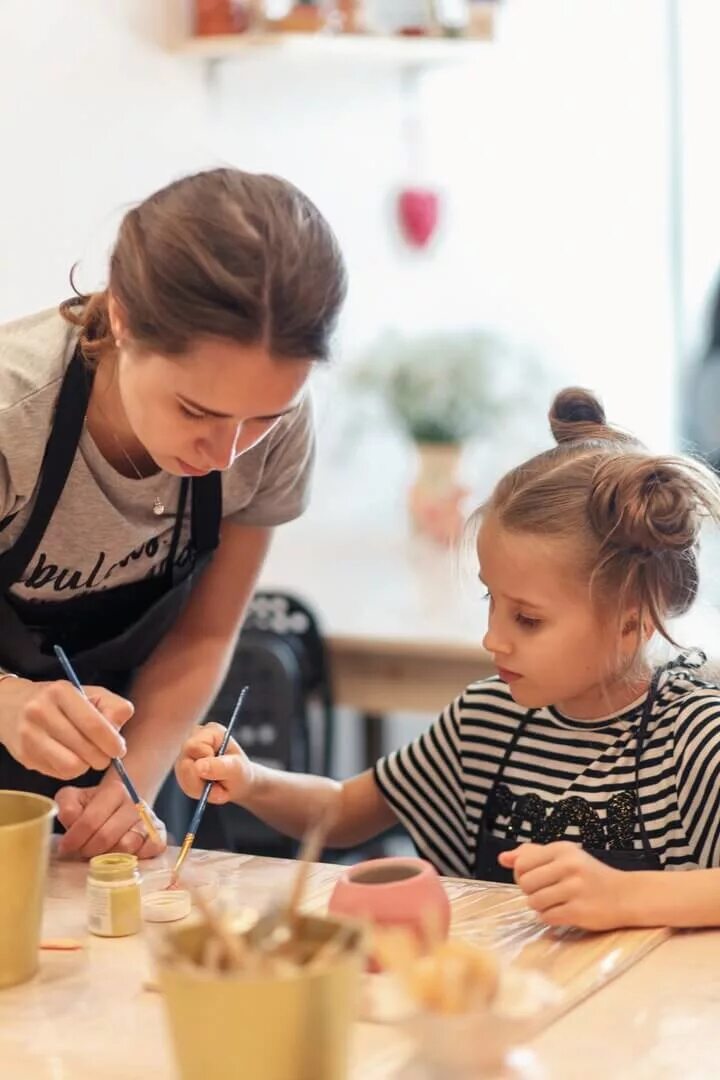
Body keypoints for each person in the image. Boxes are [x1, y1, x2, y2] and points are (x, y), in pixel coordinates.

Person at [175, 387, 720, 929]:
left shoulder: (693, 740)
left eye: (528, 619)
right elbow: (341, 811)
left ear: (631, 622)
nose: (493, 639)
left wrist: (625, 897)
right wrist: (250, 780)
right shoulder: (485, 719)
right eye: (491, 601)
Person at [0, 167, 347, 861]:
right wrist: (7, 701)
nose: (226, 453)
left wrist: (135, 784)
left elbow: (205, 633)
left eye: (263, 419)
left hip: (140, 742)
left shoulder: (277, 423)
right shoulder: (13, 415)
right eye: (195, 410)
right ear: (123, 317)